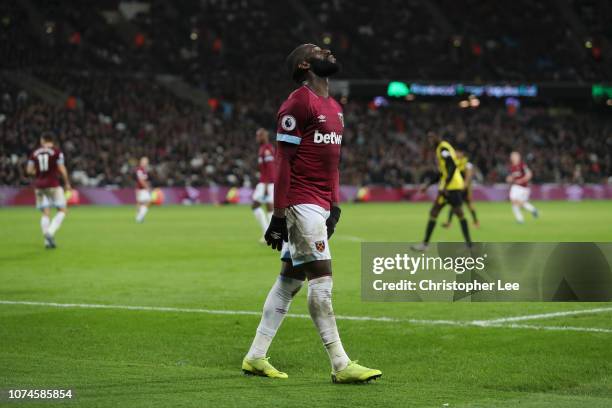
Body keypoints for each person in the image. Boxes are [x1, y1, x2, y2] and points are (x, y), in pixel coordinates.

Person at [242, 43, 382, 384]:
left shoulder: (334, 107)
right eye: (320, 51)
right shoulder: (297, 103)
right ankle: (340, 364)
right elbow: (283, 162)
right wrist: (278, 214)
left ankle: (255, 356)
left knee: (289, 280)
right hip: (300, 203)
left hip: (319, 204)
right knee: (322, 283)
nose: (329, 52)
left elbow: (332, 163)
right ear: (306, 64)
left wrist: (334, 205)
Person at [412, 132, 473, 251]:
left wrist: (446, 184)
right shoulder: (441, 149)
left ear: (437, 138)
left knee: (457, 213)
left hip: (452, 187)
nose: (430, 141)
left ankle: (469, 244)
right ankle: (425, 244)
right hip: (448, 186)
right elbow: (442, 172)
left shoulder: (443, 149)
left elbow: (452, 166)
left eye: (432, 138)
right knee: (435, 212)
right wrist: (428, 185)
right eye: (428, 139)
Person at [26, 132, 71, 249]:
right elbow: (61, 168)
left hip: (39, 186)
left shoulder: (34, 153)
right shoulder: (57, 152)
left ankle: (47, 242)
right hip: (53, 185)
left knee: (46, 212)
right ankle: (50, 233)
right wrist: (67, 183)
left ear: (43, 140)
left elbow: (29, 170)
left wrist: (40, 172)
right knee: (62, 210)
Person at [442, 146, 479, 228]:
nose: (455, 154)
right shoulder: (455, 162)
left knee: (469, 205)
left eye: (457, 152)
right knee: (454, 205)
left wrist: (464, 187)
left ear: (462, 153)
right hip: (457, 187)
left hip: (464, 188)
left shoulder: (467, 164)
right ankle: (448, 222)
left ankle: (476, 222)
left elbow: (468, 177)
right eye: (455, 152)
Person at [251, 128, 275, 242]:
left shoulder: (267, 150)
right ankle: (271, 234)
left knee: (257, 206)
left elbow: (270, 168)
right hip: (267, 182)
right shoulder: (263, 149)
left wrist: (266, 185)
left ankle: (268, 234)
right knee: (269, 208)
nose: (257, 138)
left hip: (267, 183)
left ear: (264, 136)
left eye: (258, 136)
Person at [507, 151, 538, 223]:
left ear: (518, 157)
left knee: (518, 203)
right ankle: (520, 219)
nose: (512, 158)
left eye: (514, 156)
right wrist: (509, 178)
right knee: (514, 201)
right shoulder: (512, 167)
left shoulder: (522, 165)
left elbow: (529, 174)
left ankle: (532, 210)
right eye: (512, 156)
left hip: (523, 188)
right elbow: (513, 176)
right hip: (516, 187)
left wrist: (521, 180)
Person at [135, 157, 152, 223]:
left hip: (143, 189)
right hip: (141, 189)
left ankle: (139, 217)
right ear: (141, 162)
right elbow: (141, 180)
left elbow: (144, 180)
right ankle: (139, 217)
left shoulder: (144, 170)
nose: (146, 163)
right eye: (145, 161)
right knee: (145, 202)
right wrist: (147, 187)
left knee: (144, 202)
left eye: (147, 162)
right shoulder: (139, 170)